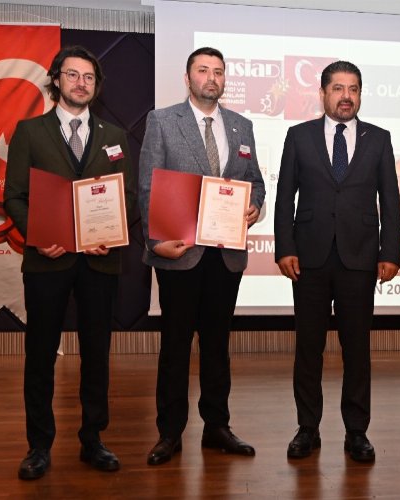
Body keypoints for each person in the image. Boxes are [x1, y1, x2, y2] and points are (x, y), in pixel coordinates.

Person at [4, 45, 136, 479]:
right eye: (73, 75)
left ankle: (93, 439)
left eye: (89, 77)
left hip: (99, 261)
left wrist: (110, 234)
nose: (82, 83)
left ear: (97, 86)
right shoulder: (30, 132)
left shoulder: (115, 136)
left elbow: (127, 197)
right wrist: (39, 236)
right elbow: (14, 197)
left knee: (97, 354)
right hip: (48, 261)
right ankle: (38, 446)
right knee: (41, 354)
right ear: (56, 80)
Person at [138, 47, 265, 466]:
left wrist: (255, 205)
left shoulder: (242, 125)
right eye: (203, 70)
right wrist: (155, 240)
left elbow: (256, 182)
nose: (212, 78)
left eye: (218, 72)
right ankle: (169, 433)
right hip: (179, 251)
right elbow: (147, 186)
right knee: (175, 345)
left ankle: (217, 427)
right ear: (188, 77)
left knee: (217, 345)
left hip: (226, 255)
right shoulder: (162, 121)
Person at [274, 60, 400, 462]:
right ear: (323, 93)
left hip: (360, 257)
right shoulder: (299, 136)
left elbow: (390, 201)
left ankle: (357, 431)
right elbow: (284, 196)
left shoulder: (379, 138)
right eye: (338, 89)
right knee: (308, 348)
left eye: (353, 89)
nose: (346, 96)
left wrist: (390, 252)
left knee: (357, 349)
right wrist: (284, 247)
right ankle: (307, 428)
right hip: (308, 257)